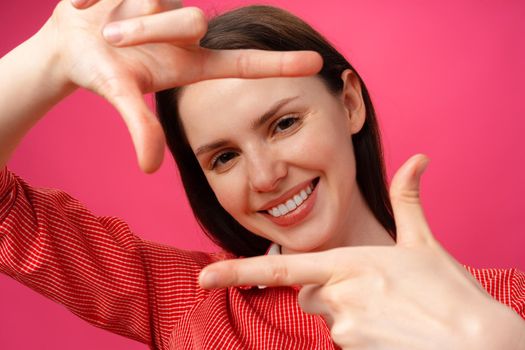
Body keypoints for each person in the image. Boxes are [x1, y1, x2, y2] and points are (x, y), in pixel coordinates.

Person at [0, 1, 524, 349]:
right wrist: (47, 61)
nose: (266, 175)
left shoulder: (507, 308)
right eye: (223, 157)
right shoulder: (194, 304)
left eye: (284, 123)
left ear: (349, 104)